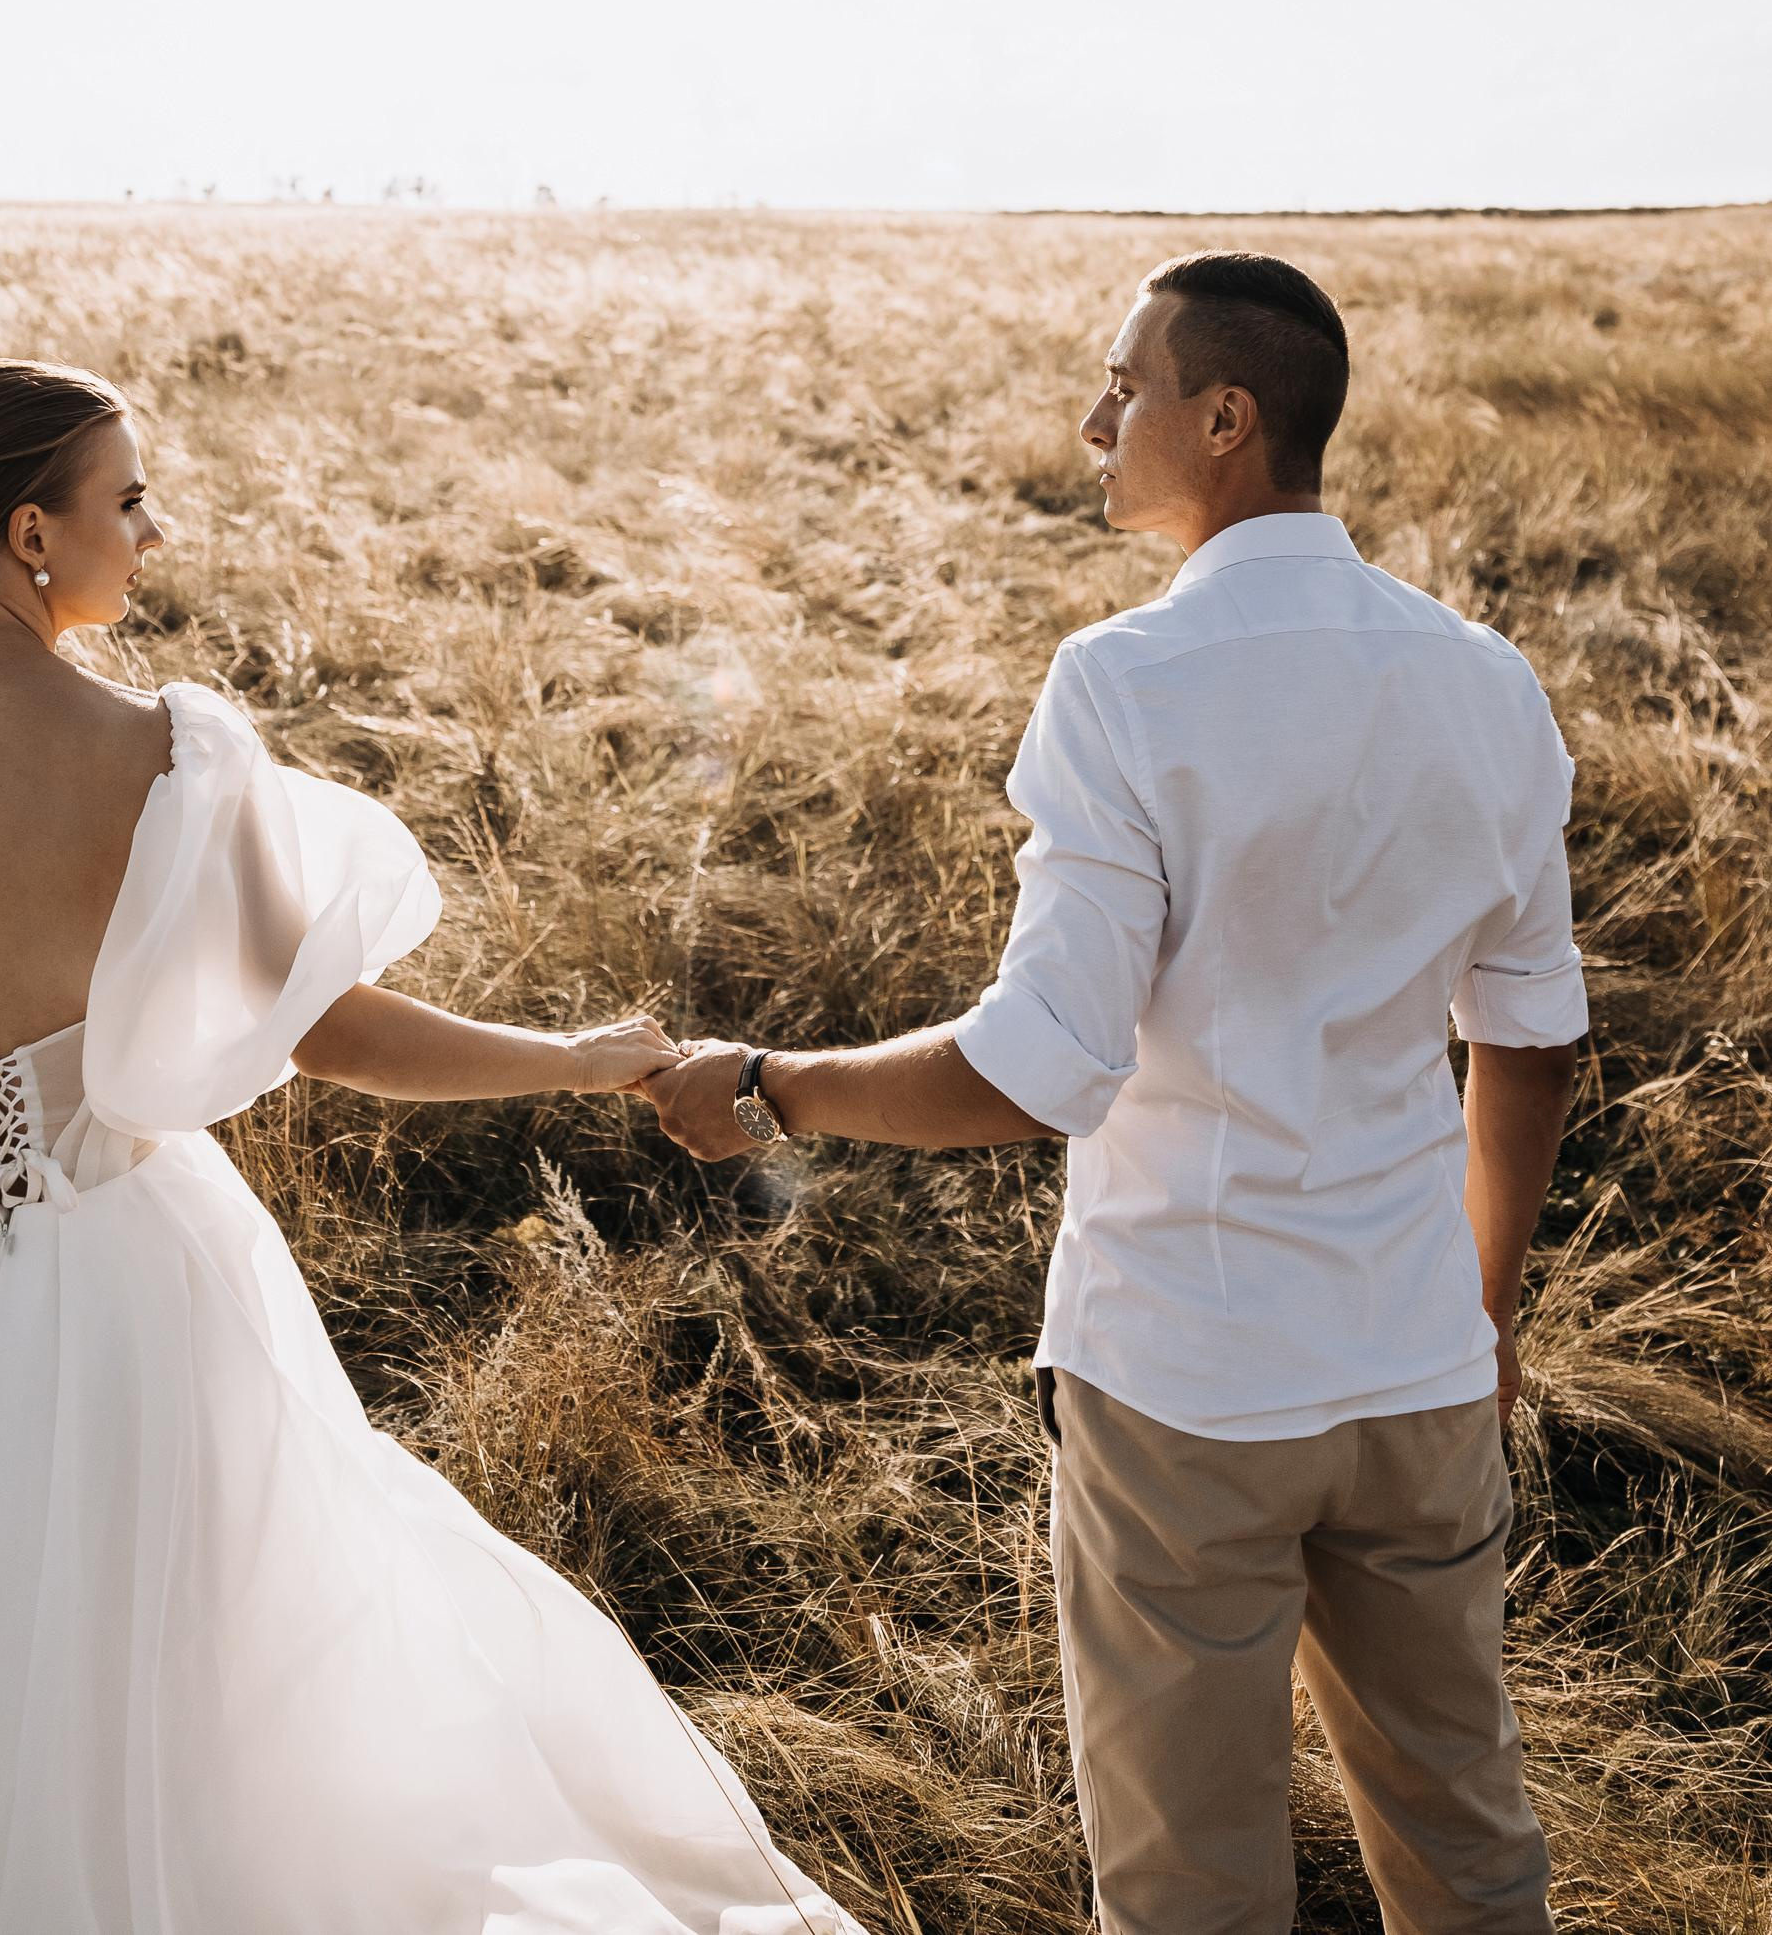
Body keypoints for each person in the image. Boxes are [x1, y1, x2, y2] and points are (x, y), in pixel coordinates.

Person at [0, 358, 859, 1935]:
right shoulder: (169, 762)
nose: (152, 531)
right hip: (128, 1281)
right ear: (32, 533)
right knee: (181, 1668)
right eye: (128, 500)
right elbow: (335, 1031)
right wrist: (573, 1064)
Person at [644, 253, 1588, 1935]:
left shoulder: (1124, 682)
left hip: (1187, 1379)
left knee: (1186, 1881)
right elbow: (1527, 1037)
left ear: (1224, 419)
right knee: (1466, 1840)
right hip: (1415, 1358)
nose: (1094, 421)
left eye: (1123, 385)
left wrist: (771, 1084)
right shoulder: (1486, 682)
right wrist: (1484, 1303)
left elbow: (1033, 1069)